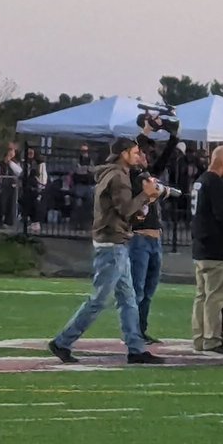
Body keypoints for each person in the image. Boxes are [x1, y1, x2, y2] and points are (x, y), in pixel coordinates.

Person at [48, 139, 164, 365]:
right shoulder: (119, 176)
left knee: (129, 299)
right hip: (112, 245)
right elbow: (126, 210)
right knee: (100, 300)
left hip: (115, 243)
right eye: (135, 151)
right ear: (124, 153)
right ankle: (62, 342)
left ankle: (136, 348)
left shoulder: (110, 173)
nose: (138, 155)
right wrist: (146, 195)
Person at [128, 119, 180, 344]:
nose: (144, 157)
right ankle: (133, 331)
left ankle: (141, 329)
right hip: (139, 238)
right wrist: (147, 130)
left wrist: (174, 139)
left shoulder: (147, 176)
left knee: (148, 291)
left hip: (154, 240)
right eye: (140, 154)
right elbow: (137, 148)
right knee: (137, 289)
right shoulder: (129, 177)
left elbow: (163, 162)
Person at [189, 146, 223, 355]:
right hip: (216, 248)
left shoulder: (201, 181)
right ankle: (211, 339)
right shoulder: (217, 184)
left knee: (202, 295)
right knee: (215, 296)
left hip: (200, 246)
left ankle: (200, 337)